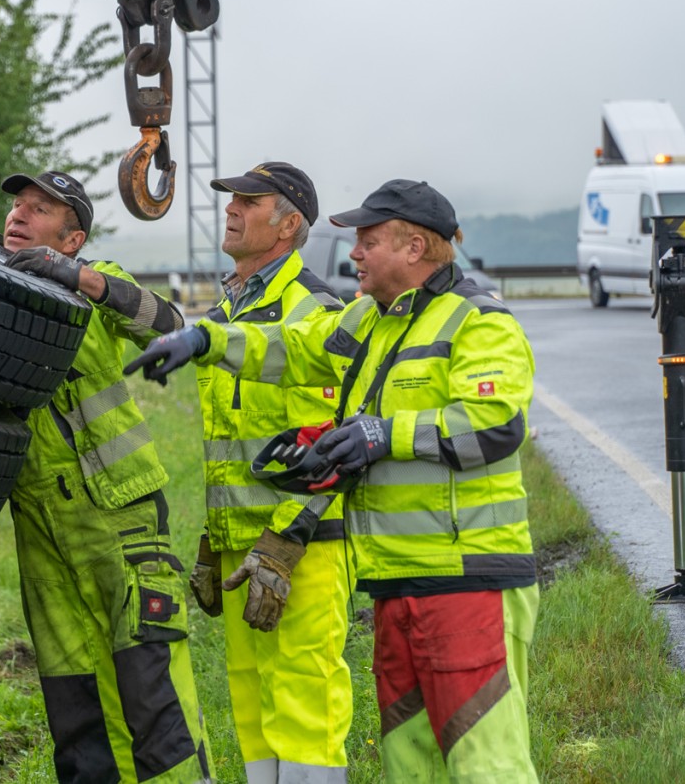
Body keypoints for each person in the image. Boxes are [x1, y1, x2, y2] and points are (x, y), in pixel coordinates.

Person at [127, 178, 539, 782]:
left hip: (468, 580)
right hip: (395, 583)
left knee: (486, 763)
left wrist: (382, 435)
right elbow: (292, 349)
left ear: (415, 248)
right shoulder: (370, 322)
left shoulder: (479, 320)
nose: (353, 254)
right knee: (410, 762)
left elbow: (497, 423)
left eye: (368, 241)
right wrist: (204, 339)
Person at [143, 161, 354, 783]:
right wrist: (218, 536)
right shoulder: (233, 305)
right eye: (231, 198)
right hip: (243, 552)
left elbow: (330, 444)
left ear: (288, 224)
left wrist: (286, 542)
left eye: (249, 200)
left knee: (305, 701)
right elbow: (231, 441)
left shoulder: (310, 308)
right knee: (252, 704)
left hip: (300, 547)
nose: (231, 208)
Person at [0, 170, 212, 784]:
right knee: (77, 702)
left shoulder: (100, 284)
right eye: (16, 206)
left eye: (39, 210)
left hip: (120, 517)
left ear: (72, 240)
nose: (18, 216)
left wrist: (81, 280)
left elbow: (165, 319)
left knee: (152, 695)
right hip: (40, 528)